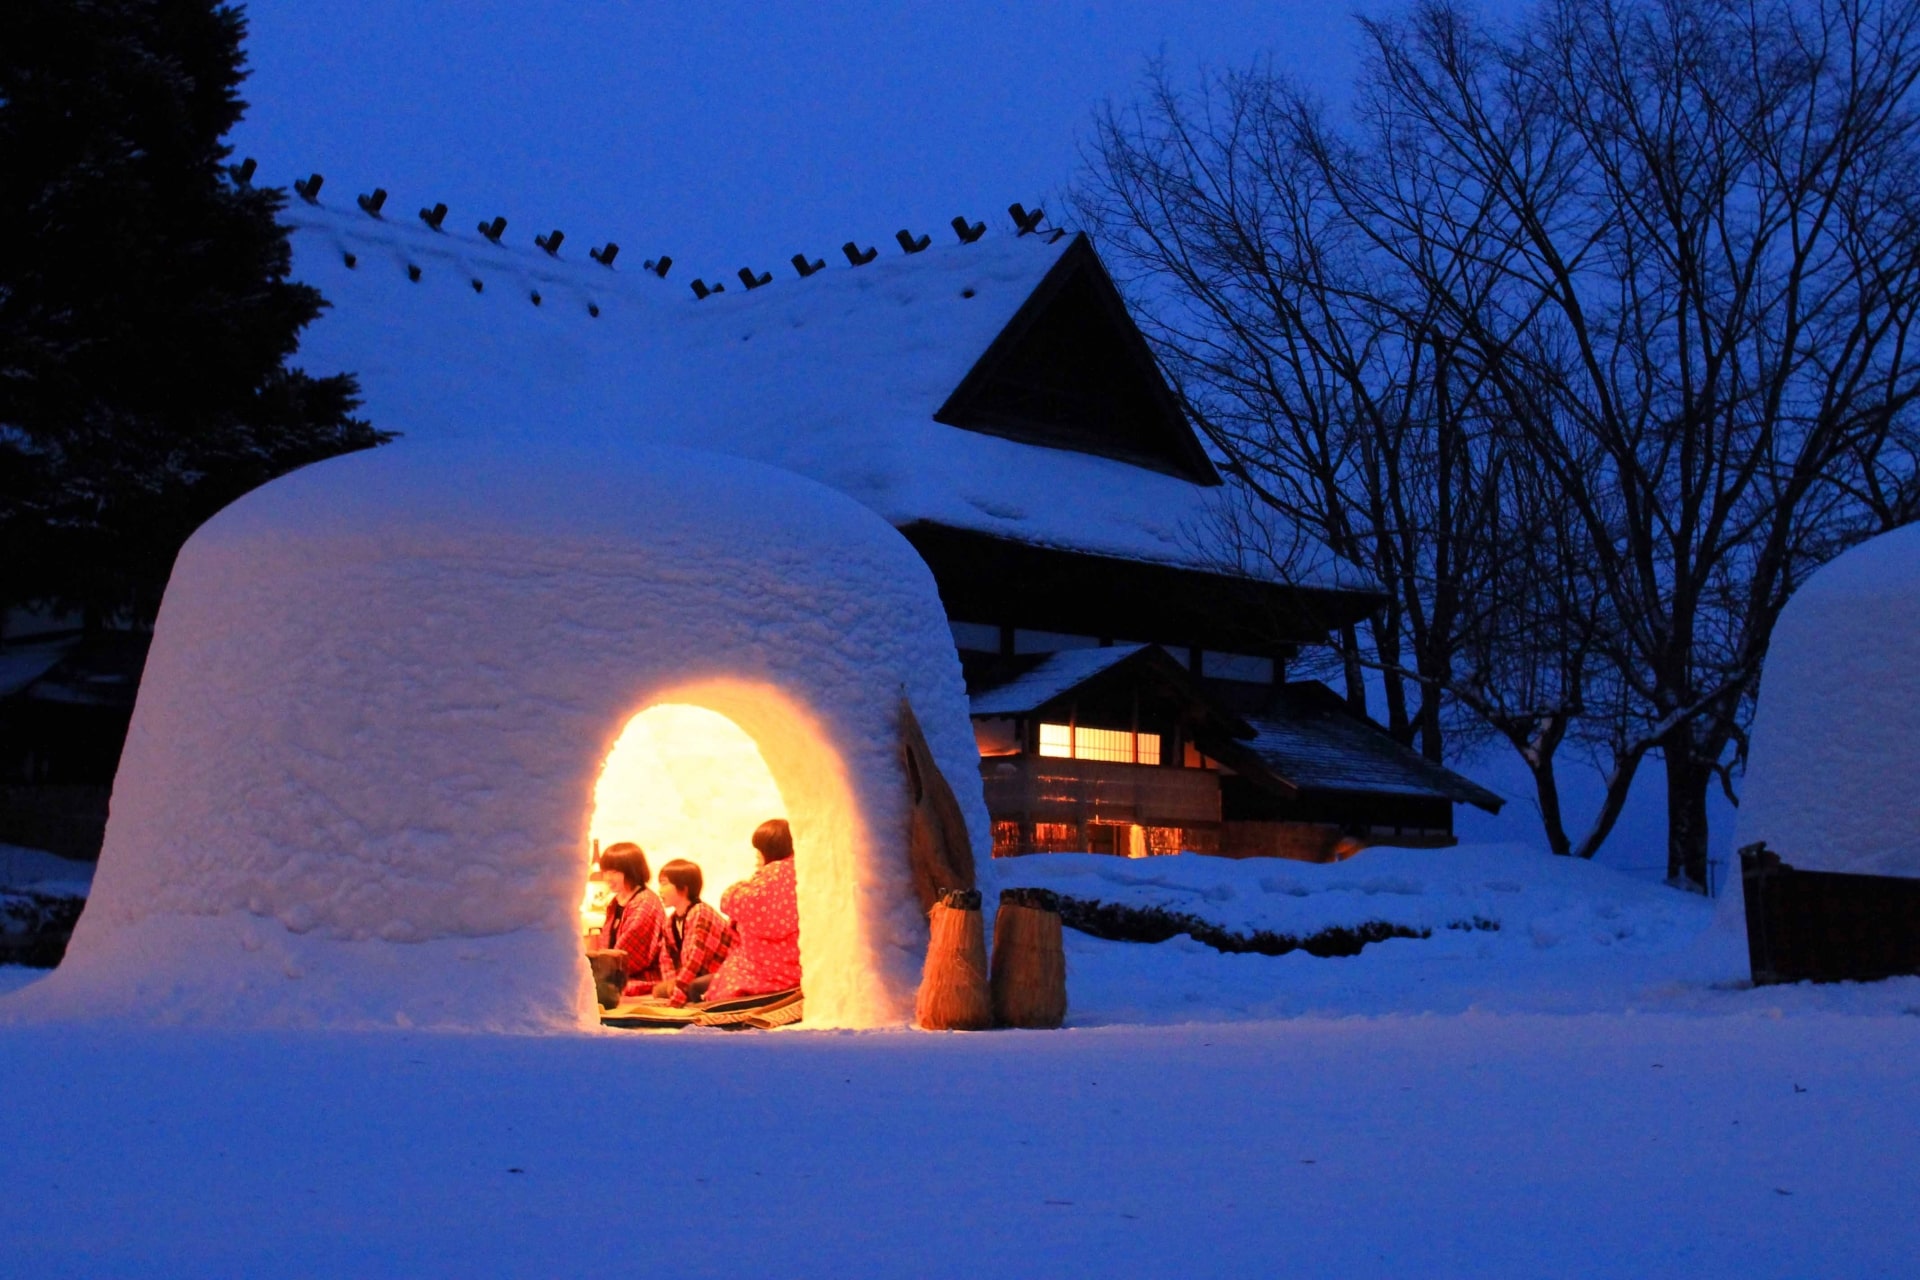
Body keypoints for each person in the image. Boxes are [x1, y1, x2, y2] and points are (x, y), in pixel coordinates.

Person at [707, 818, 801, 1002]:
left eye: (759, 850)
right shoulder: (798, 870)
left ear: (770, 849)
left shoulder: (772, 874)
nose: (757, 855)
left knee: (702, 988)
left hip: (763, 970)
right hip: (794, 968)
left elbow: (732, 900)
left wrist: (743, 884)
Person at [651, 859, 734, 1007]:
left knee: (695, 986)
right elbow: (666, 957)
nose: (660, 890)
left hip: (722, 973)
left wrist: (677, 993)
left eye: (664, 883)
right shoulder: (671, 921)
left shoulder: (701, 913)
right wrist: (671, 984)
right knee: (659, 990)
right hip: (695, 975)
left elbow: (695, 959)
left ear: (683, 888)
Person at [594, 843, 665, 997]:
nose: (607, 878)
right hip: (614, 973)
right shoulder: (615, 902)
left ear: (631, 870)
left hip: (641, 977)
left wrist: (601, 970)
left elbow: (627, 955)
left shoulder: (646, 903)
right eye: (605, 872)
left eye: (614, 872)